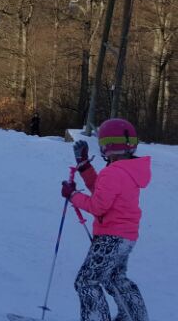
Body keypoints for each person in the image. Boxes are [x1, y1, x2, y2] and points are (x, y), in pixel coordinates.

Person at [61, 118, 151, 321]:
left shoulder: (114, 172)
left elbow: (97, 205)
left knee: (87, 281)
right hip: (125, 237)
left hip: (110, 238)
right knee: (114, 278)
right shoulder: (128, 170)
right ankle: (135, 317)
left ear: (108, 146)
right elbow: (101, 192)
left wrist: (72, 195)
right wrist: (84, 167)